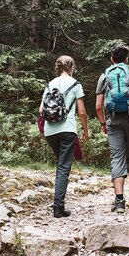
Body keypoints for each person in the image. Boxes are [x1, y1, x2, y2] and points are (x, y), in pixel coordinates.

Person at [95, 44, 129, 213]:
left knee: (117, 157)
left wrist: (104, 123)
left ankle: (119, 201)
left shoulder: (105, 76)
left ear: (112, 58)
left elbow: (98, 106)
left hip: (113, 120)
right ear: (127, 59)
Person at [39, 55, 89, 218]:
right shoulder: (76, 84)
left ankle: (59, 204)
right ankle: (58, 207)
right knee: (63, 167)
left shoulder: (50, 84)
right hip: (67, 129)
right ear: (71, 67)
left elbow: (41, 111)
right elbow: (82, 112)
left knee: (61, 165)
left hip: (50, 131)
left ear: (57, 67)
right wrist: (85, 130)